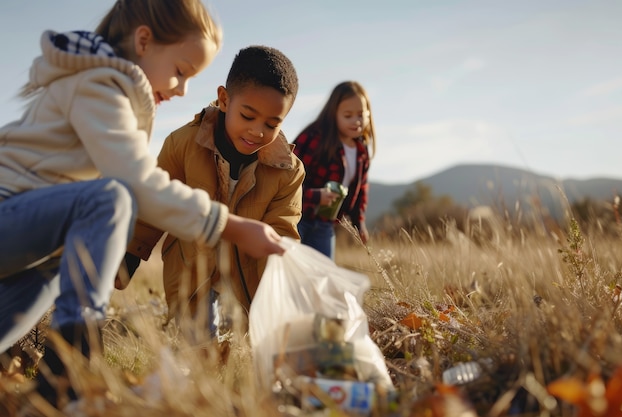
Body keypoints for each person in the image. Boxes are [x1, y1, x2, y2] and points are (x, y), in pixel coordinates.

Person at [0, 0, 285, 409]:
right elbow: (137, 184)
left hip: (22, 237)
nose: (183, 88)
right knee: (110, 197)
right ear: (145, 41)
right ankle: (69, 371)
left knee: (64, 252)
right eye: (181, 71)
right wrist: (232, 226)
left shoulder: (112, 92)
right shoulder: (97, 84)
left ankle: (55, 384)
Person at [124, 45, 304, 332]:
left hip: (248, 280)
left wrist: (281, 280)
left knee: (243, 357)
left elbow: (282, 228)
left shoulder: (288, 170)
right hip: (191, 274)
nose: (257, 131)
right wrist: (129, 255)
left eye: (272, 124)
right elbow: (154, 204)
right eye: (247, 116)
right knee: (202, 349)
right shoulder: (182, 144)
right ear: (224, 99)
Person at [292, 81, 376, 259]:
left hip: (325, 223)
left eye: (361, 115)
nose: (356, 121)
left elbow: (361, 190)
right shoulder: (313, 138)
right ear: (334, 114)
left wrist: (359, 223)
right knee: (290, 272)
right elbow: (287, 179)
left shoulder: (361, 151)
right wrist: (316, 196)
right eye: (348, 115)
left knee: (322, 277)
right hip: (297, 218)